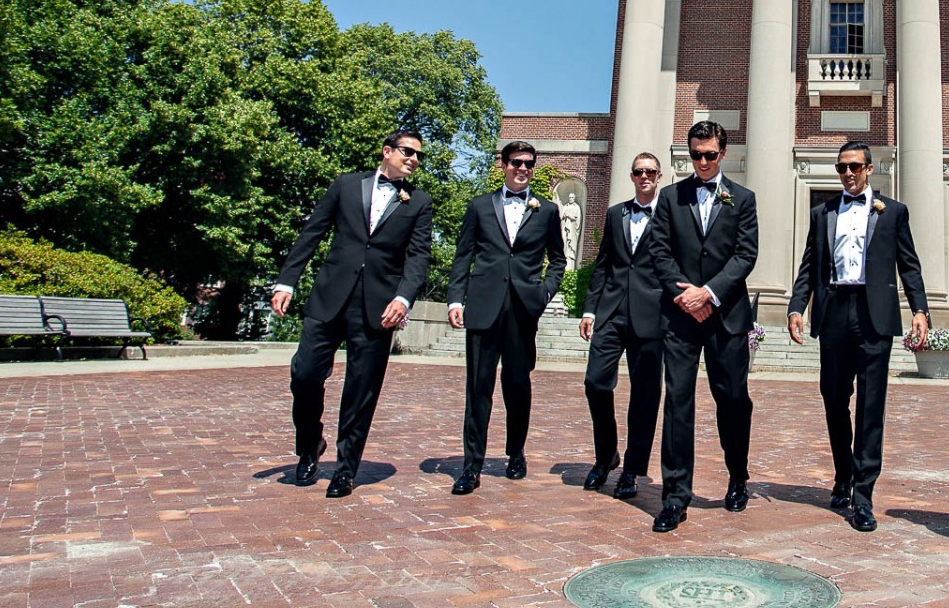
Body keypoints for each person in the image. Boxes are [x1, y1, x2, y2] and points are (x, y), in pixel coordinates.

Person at [272, 130, 434, 499]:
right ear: (387, 151)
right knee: (305, 374)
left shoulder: (419, 202)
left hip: (378, 309)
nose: (414, 159)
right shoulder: (346, 186)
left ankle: (346, 469)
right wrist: (286, 282)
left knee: (361, 389)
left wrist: (404, 298)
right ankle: (310, 443)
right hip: (329, 297)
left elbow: (419, 256)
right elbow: (311, 233)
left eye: (418, 156)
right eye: (408, 152)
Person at [786, 141, 930, 532]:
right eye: (842, 168)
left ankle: (863, 494)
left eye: (855, 167)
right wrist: (797, 306)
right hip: (833, 311)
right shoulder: (823, 213)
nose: (848, 174)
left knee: (870, 406)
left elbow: (909, 266)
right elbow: (808, 265)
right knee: (833, 398)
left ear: (869, 169)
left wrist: (920, 310)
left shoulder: (893, 212)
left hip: (874, 318)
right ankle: (843, 474)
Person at [645, 120, 759, 533]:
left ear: (723, 153)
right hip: (680, 317)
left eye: (710, 155)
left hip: (726, 317)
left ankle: (738, 475)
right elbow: (659, 252)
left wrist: (708, 293)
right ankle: (675, 496)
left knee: (732, 399)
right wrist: (685, 296)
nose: (704, 162)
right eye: (696, 155)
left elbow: (745, 255)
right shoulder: (671, 198)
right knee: (677, 402)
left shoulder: (742, 199)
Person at [444, 141, 566, 494]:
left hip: (523, 310)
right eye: (516, 162)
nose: (523, 168)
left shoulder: (546, 210)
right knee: (478, 388)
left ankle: (516, 452)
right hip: (483, 307)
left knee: (517, 385)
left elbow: (557, 259)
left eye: (529, 163)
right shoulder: (480, 206)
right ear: (503, 165)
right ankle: (471, 465)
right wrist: (456, 298)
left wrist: (543, 293)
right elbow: (463, 255)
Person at [578, 153, 669, 500]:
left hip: (652, 314)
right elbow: (603, 264)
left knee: (645, 396)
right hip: (612, 311)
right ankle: (606, 456)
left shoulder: (671, 215)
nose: (644, 176)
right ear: (632, 176)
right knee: (595, 383)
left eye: (649, 171)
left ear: (659, 176)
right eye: (638, 171)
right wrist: (590, 310)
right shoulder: (616, 214)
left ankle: (632, 469)